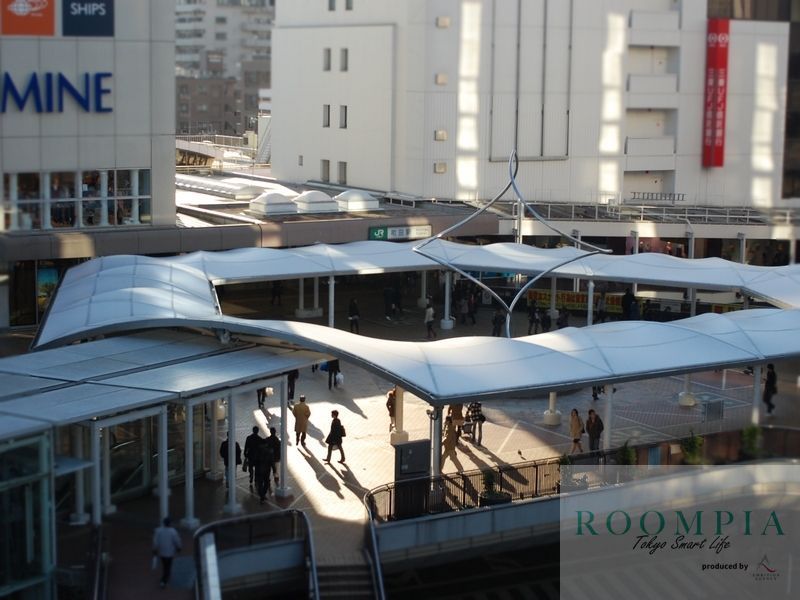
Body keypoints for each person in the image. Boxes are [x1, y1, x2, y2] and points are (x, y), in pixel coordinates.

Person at [152, 517, 182, 589]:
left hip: (162, 553)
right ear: (170, 523)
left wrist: (155, 549)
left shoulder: (158, 531)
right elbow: (177, 541)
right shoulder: (173, 531)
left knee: (165, 565)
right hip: (170, 553)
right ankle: (164, 580)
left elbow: (155, 541)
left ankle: (165, 578)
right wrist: (179, 547)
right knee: (168, 566)